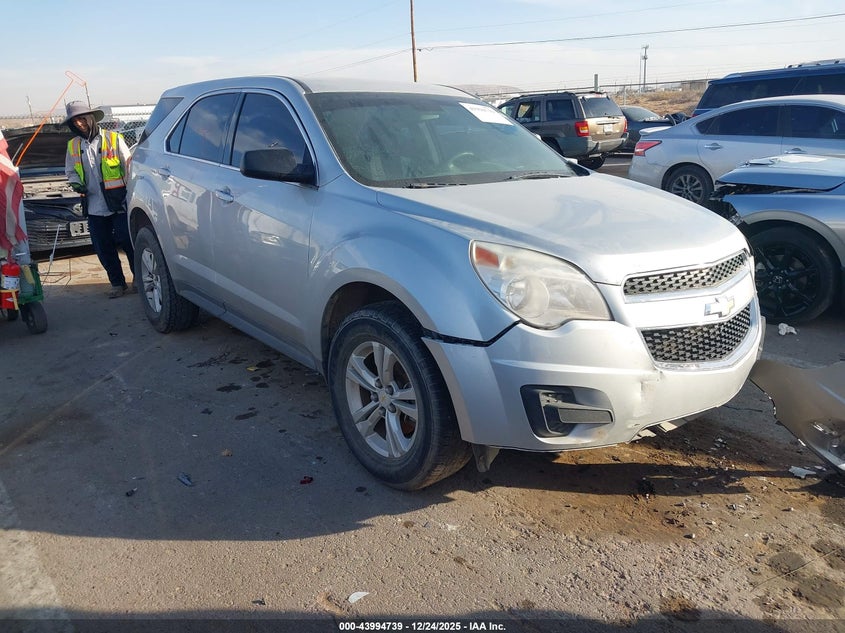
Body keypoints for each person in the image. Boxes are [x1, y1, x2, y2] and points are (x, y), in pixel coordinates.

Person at [63, 101, 135, 298]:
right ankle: (117, 284)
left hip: (119, 203)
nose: (78, 124)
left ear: (91, 118)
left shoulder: (114, 138)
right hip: (94, 206)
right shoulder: (73, 145)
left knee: (129, 242)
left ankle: (139, 278)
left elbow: (128, 167)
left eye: (81, 118)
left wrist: (128, 195)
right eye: (74, 121)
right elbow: (70, 171)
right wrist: (75, 182)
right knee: (103, 247)